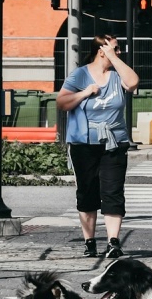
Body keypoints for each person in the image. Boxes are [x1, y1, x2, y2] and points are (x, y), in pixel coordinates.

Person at [57, 35, 139, 259]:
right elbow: (62, 102)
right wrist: (84, 92)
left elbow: (132, 83)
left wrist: (114, 58)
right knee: (87, 192)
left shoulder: (116, 75)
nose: (119, 52)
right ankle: (90, 241)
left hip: (114, 142)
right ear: (101, 50)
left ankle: (113, 242)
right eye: (116, 48)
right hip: (84, 143)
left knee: (113, 192)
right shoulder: (80, 74)